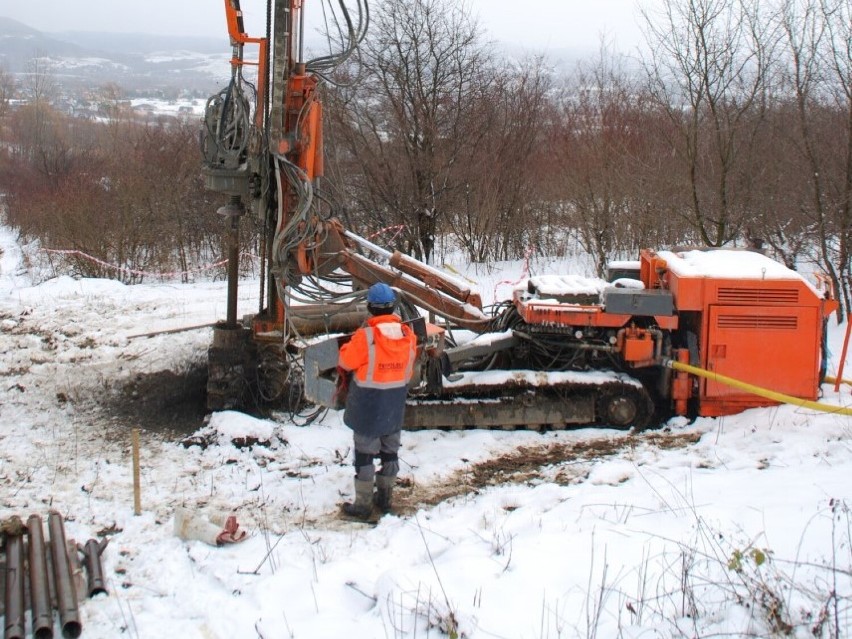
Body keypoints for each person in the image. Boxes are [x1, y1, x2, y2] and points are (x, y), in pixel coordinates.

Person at [338, 282, 417, 519]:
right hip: (394, 404)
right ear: (393, 307)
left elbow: (346, 362)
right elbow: (409, 369)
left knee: (365, 453)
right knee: (390, 451)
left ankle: (362, 505)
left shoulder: (366, 337)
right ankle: (385, 499)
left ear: (369, 308)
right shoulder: (407, 334)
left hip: (368, 404)